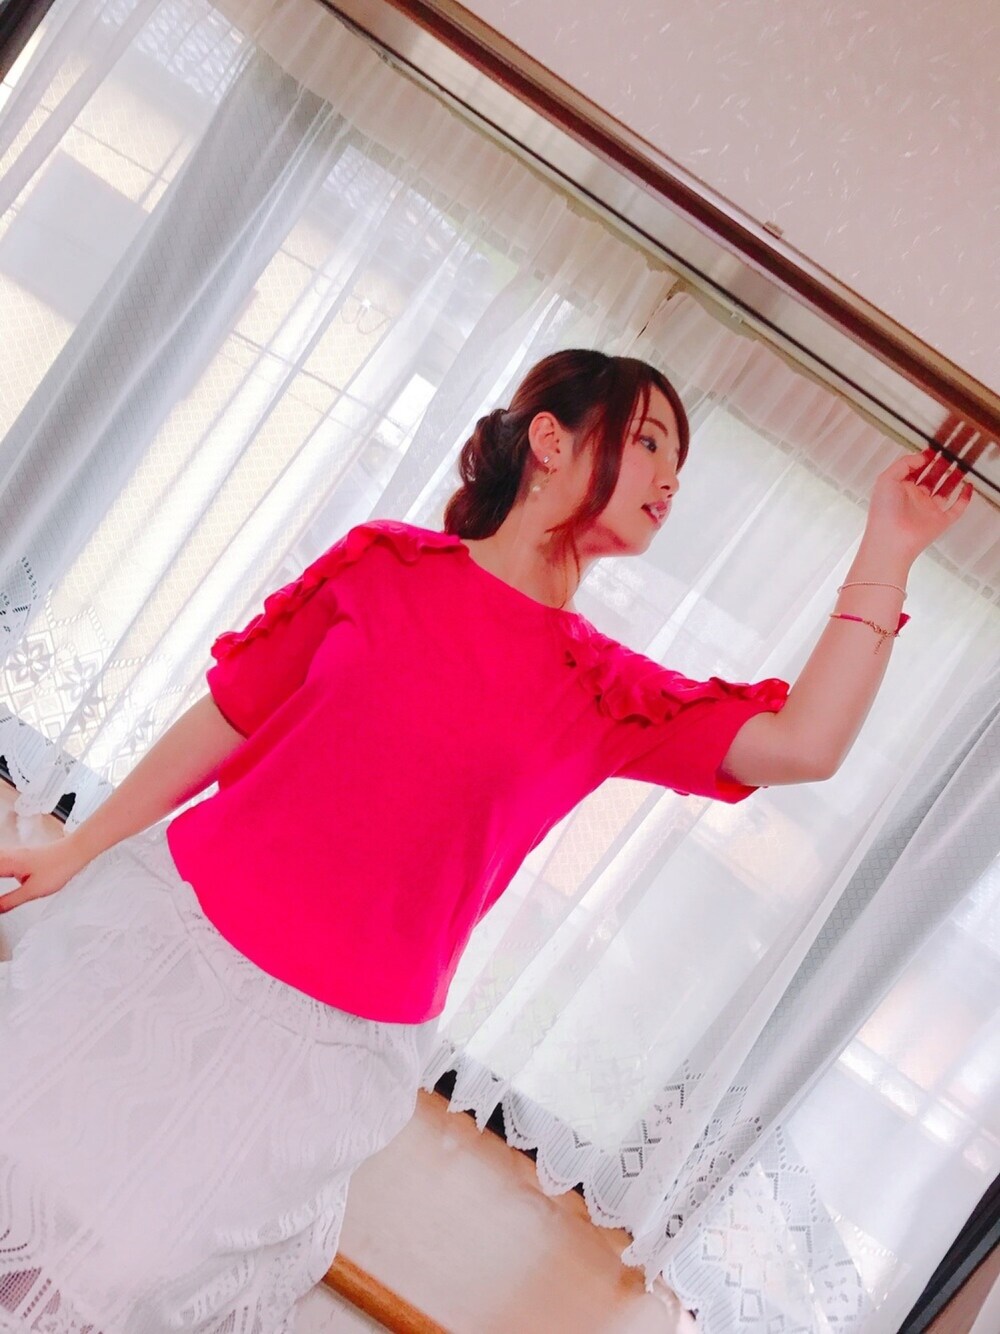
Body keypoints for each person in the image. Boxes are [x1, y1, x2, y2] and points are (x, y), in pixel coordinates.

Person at [0, 350, 973, 1331]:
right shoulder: (382, 565)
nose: (669, 479)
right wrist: (80, 850)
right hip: (173, 947)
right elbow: (230, 712)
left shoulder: (603, 690)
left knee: (135, 1271)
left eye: (678, 465)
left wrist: (889, 545)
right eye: (647, 441)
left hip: (328, 1049)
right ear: (549, 438)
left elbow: (805, 744)